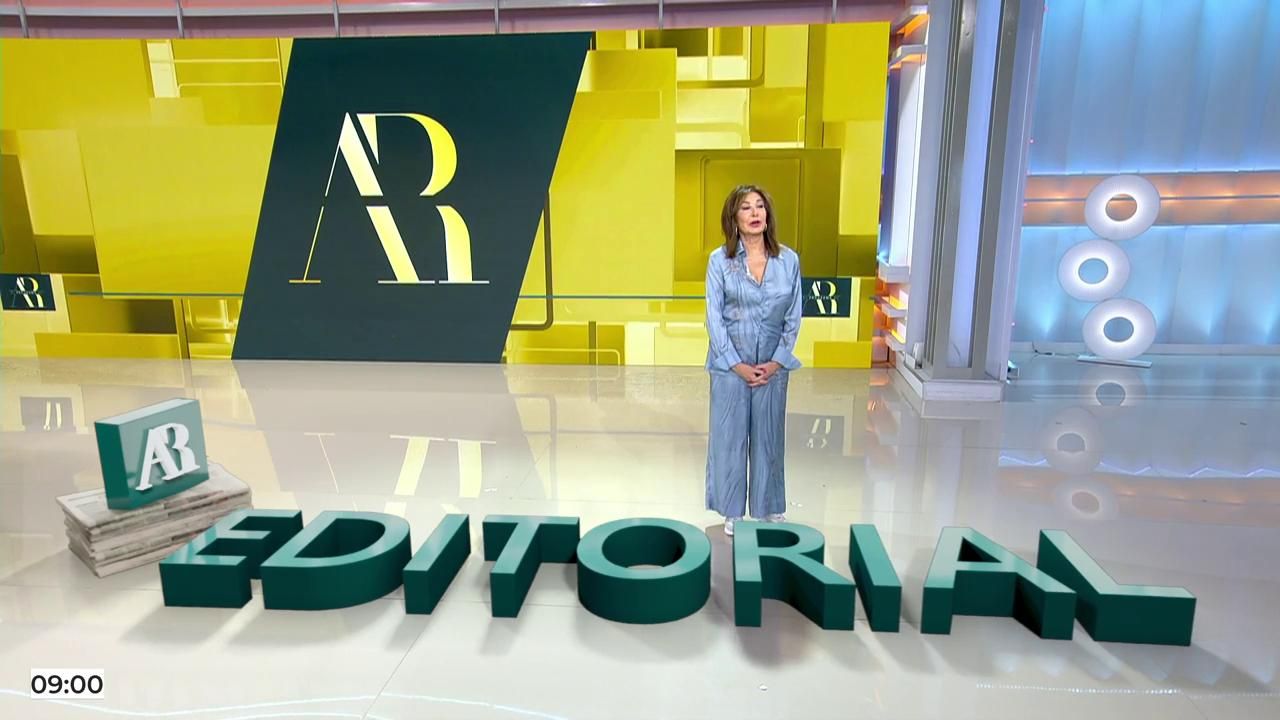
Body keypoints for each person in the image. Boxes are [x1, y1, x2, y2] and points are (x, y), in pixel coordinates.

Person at [704, 184, 802, 537]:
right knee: (729, 439)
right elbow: (714, 318)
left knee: (769, 437)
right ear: (734, 217)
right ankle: (732, 510)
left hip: (772, 368)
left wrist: (776, 362)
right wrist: (736, 363)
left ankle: (770, 506)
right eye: (746, 207)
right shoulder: (720, 261)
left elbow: (794, 316)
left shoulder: (788, 261)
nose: (755, 213)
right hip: (730, 368)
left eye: (760, 206)